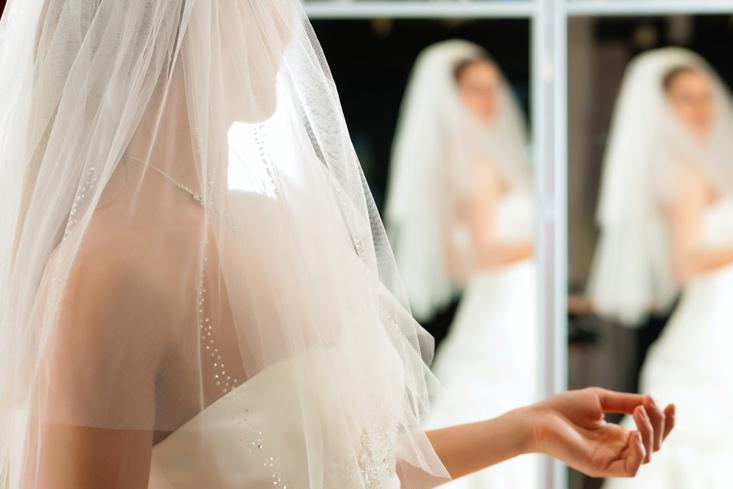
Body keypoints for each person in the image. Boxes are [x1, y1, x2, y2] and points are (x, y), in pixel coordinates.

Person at [0, 2, 673, 488]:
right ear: (171, 21)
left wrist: (528, 428)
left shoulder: (258, 219)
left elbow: (345, 466)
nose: (281, 25)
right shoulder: (111, 267)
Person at [386, 40, 538, 488]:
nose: (490, 100)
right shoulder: (474, 161)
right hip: (505, 299)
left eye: (493, 88)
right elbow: (485, 252)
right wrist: (543, 248)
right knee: (502, 396)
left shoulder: (487, 156)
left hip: (510, 298)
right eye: (475, 90)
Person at [588, 48, 733, 489]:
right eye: (686, 99)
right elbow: (686, 262)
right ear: (664, 107)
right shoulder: (683, 171)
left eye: (705, 96)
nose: (701, 109)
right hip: (714, 312)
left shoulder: (713, 165)